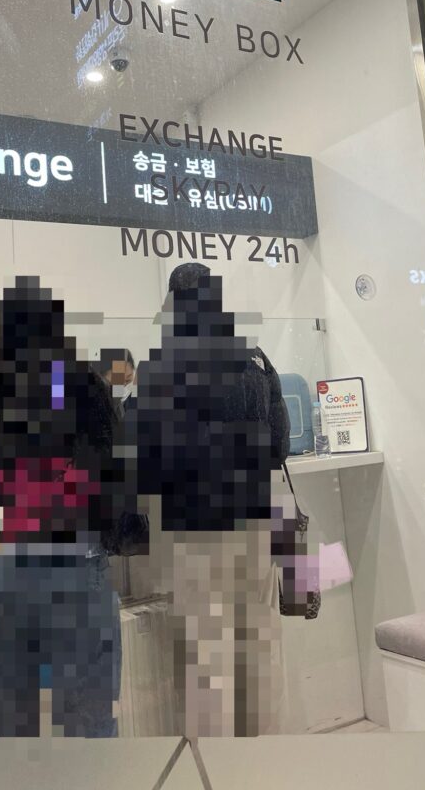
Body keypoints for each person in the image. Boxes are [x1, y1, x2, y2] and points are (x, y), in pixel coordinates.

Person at [0, 276, 126, 738]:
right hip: (78, 561)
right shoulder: (86, 382)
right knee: (89, 723)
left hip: (7, 560)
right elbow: (116, 474)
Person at [135, 262, 292, 737]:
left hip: (198, 530)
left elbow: (150, 462)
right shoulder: (256, 358)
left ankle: (218, 766)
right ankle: (265, 756)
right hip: (255, 525)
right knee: (258, 644)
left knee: (206, 651)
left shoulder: (164, 366)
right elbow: (279, 446)